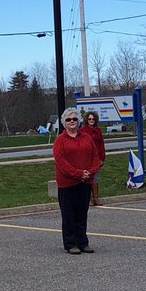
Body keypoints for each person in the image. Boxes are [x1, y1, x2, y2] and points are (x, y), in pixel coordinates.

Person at [53, 107, 101, 254]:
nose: (72, 121)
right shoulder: (59, 141)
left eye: (74, 119)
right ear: (63, 123)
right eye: (68, 119)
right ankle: (70, 243)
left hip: (85, 183)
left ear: (79, 121)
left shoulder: (87, 138)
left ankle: (83, 242)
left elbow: (95, 157)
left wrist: (91, 172)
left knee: (82, 214)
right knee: (69, 215)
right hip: (67, 183)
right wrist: (79, 173)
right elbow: (62, 163)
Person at [80, 111, 107, 206]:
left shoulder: (98, 130)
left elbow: (102, 145)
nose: (91, 120)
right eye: (89, 119)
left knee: (95, 179)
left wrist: (102, 159)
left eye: (93, 119)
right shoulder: (82, 131)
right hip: (87, 159)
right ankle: (89, 199)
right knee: (88, 179)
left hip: (98, 159)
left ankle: (96, 198)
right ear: (86, 120)